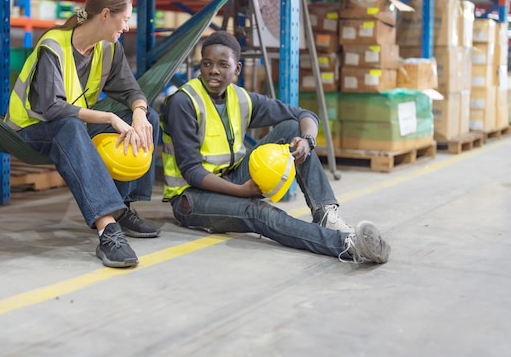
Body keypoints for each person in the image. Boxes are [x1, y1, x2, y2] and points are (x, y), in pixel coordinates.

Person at [161, 31, 390, 264]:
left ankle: (325, 214)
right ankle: (347, 245)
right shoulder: (184, 102)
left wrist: (307, 142)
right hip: (191, 198)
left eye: (223, 64)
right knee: (258, 212)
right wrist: (243, 193)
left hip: (229, 179)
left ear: (237, 69)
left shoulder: (241, 99)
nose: (213, 70)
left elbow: (304, 115)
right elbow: (191, 171)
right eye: (207, 64)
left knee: (293, 128)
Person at [5, 0, 160, 268]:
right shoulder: (53, 45)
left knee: (149, 119)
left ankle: (122, 209)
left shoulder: (109, 49)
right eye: (124, 19)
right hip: (31, 130)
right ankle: (107, 229)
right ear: (104, 15)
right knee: (70, 126)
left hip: (71, 125)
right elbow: (53, 108)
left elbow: (130, 90)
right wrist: (110, 118)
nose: (126, 27)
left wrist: (138, 112)